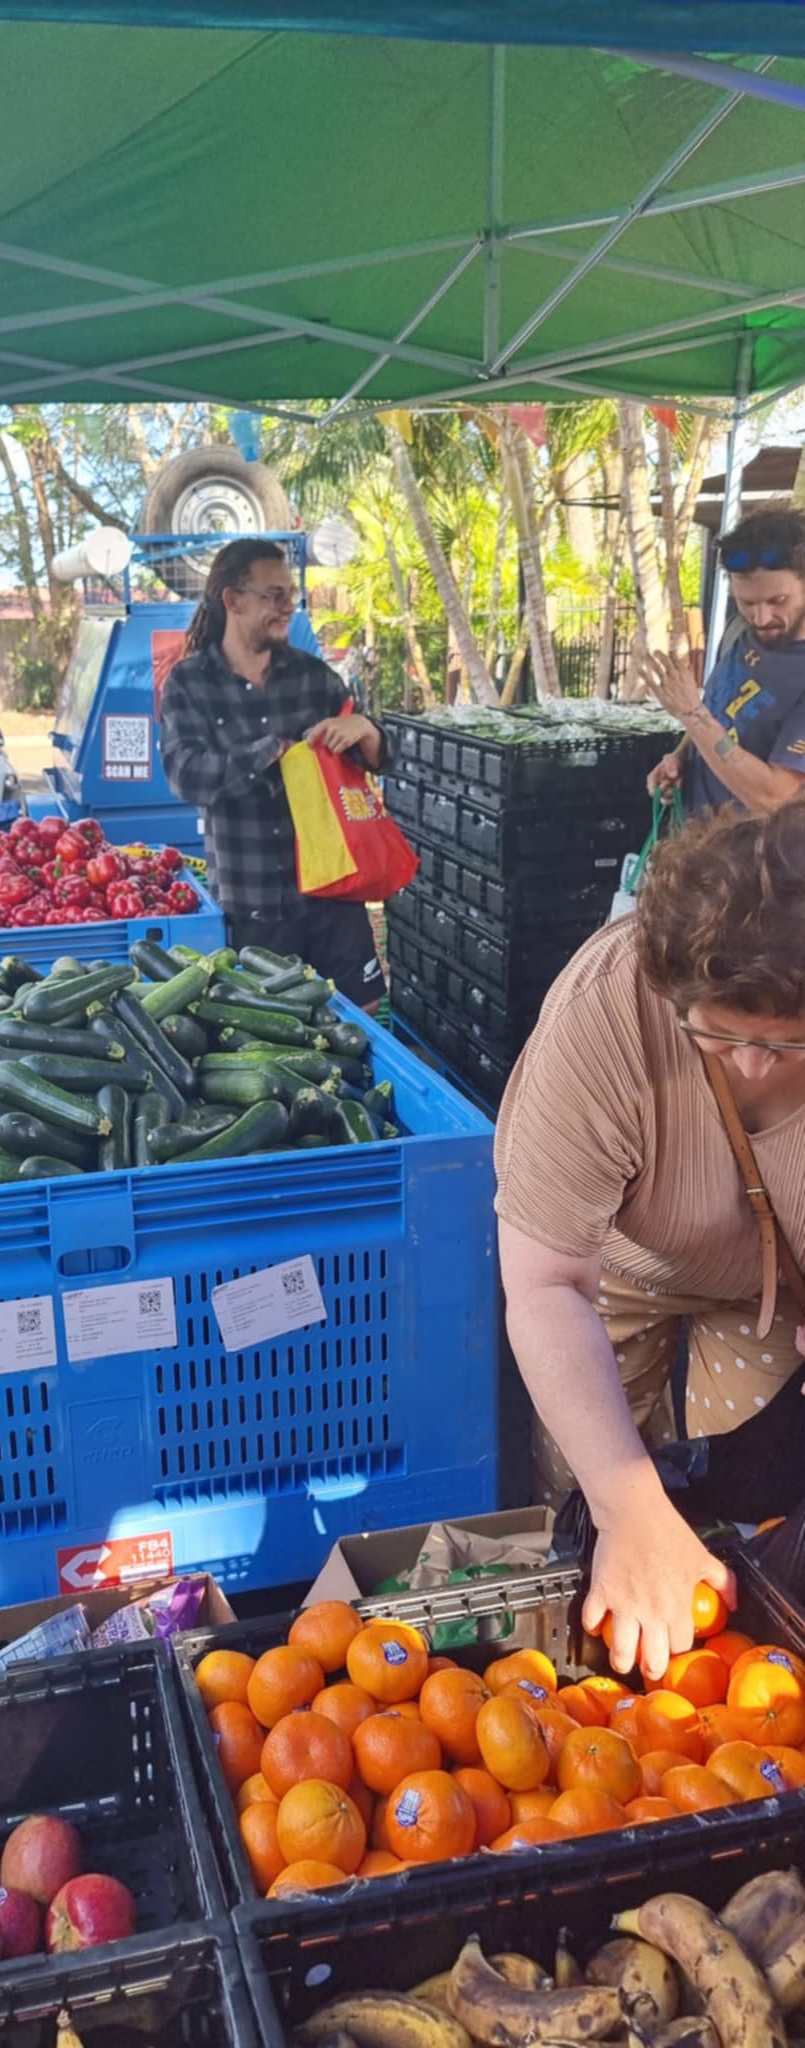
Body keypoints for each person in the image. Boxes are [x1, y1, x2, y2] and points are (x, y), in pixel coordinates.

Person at [494, 800, 805, 1680]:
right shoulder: (605, 1013)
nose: (753, 1065)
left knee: (745, 1495)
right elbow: (547, 1284)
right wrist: (624, 1505)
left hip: (777, 1284)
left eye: (789, 1045)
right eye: (721, 1034)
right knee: (601, 1483)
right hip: (617, 1268)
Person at [159, 539, 388, 1009]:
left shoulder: (314, 677)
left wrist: (367, 730)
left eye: (291, 594)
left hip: (334, 893)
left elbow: (379, 757)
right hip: (254, 904)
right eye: (274, 595)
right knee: (274, 1030)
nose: (288, 607)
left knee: (361, 1020)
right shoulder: (190, 683)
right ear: (233, 600)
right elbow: (185, 775)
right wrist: (269, 750)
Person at [646, 507, 805, 813]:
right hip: (699, 836)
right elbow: (720, 715)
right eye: (746, 603)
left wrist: (692, 714)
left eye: (778, 601)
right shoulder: (739, 633)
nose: (761, 618)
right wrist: (681, 757)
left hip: (757, 845)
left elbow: (774, 799)